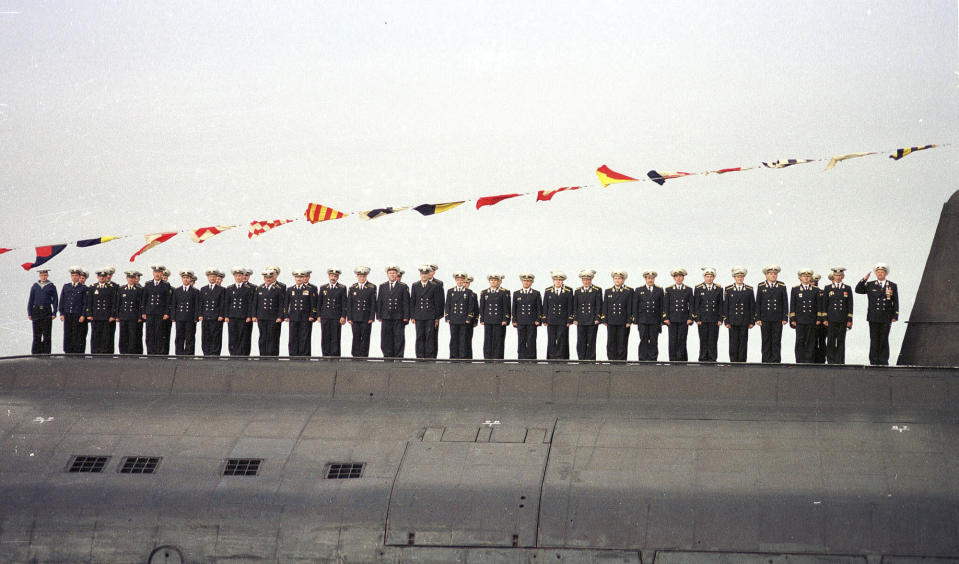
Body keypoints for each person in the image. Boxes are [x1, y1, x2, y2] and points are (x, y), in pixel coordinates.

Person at [855, 263, 899, 365]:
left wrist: (895, 315)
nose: (880, 274)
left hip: (886, 316)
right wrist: (864, 279)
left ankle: (883, 360)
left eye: (882, 272)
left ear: (886, 273)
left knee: (884, 339)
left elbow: (896, 301)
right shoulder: (870, 285)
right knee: (874, 339)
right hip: (873, 316)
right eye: (878, 272)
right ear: (875, 273)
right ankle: (874, 361)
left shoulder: (892, 285)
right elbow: (858, 290)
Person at [755, 265, 788, 363]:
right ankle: (765, 360)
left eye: (775, 274)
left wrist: (785, 317)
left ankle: (776, 360)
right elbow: (758, 303)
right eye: (770, 274)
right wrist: (758, 318)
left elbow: (785, 302)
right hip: (765, 318)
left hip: (777, 318)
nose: (773, 275)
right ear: (766, 275)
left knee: (776, 340)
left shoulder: (781, 286)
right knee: (766, 340)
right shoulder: (761, 286)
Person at [411, 265, 444, 359]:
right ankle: (420, 356)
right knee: (419, 336)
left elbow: (437, 302)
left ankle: (429, 357)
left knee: (430, 337)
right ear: (420, 275)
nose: (424, 276)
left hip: (430, 315)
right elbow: (413, 301)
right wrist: (412, 316)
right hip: (419, 315)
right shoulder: (415, 285)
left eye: (426, 274)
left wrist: (437, 317)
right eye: (422, 274)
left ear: (429, 274)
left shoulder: (434, 286)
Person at [377, 265, 410, 358]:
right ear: (387, 274)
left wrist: (406, 317)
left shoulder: (403, 286)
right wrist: (379, 315)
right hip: (386, 316)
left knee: (399, 337)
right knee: (386, 338)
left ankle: (399, 356)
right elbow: (380, 301)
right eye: (390, 273)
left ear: (397, 274)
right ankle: (387, 356)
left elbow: (406, 303)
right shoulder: (382, 286)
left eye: (394, 273)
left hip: (398, 316)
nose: (392, 275)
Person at [789, 268, 821, 363]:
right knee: (800, 340)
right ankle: (799, 360)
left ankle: (809, 360)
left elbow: (818, 305)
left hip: (811, 319)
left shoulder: (815, 290)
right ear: (800, 278)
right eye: (804, 276)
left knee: (810, 341)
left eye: (808, 276)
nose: (806, 278)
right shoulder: (795, 289)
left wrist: (819, 318)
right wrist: (792, 319)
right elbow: (793, 305)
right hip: (799, 320)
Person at [723, 266, 755, 362]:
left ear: (743, 277)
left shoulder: (749, 290)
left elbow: (752, 306)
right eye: (737, 277)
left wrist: (752, 321)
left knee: (743, 342)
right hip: (732, 320)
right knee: (733, 342)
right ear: (734, 277)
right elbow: (726, 306)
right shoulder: (728, 289)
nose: (739, 278)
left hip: (744, 320)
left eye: (741, 277)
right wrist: (726, 321)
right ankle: (733, 361)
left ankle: (742, 361)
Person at [823, 267, 854, 364]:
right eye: (836, 275)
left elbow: (850, 305)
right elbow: (825, 304)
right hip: (831, 319)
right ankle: (831, 360)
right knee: (831, 340)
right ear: (833, 276)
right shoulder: (828, 288)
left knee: (841, 341)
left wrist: (849, 319)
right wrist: (825, 318)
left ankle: (840, 361)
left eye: (840, 275)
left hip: (842, 319)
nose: (838, 277)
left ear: (842, 276)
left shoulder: (847, 288)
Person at [252, 268, 285, 356]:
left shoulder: (278, 289)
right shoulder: (259, 288)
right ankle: (263, 354)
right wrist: (254, 315)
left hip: (273, 317)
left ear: (273, 278)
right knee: (262, 336)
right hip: (262, 316)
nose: (268, 279)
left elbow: (281, 304)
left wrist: (280, 316)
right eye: (266, 277)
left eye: (270, 277)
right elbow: (255, 303)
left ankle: (272, 355)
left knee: (272, 336)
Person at [692, 267, 723, 362]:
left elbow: (720, 305)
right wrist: (697, 318)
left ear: (714, 277)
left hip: (714, 319)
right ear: (704, 277)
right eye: (707, 276)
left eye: (711, 276)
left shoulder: (718, 288)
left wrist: (720, 319)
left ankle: (712, 358)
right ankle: (702, 358)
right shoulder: (698, 288)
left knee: (713, 340)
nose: (709, 278)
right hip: (703, 319)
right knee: (703, 339)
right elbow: (696, 305)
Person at [140, 265, 172, 355]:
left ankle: (159, 352)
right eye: (156, 272)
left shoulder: (166, 285)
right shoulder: (148, 284)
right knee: (149, 333)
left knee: (159, 333)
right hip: (150, 312)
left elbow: (167, 301)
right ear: (153, 273)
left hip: (160, 313)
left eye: (159, 272)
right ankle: (150, 352)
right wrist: (143, 312)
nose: (157, 274)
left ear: (162, 273)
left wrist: (166, 313)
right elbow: (144, 299)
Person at [633, 270, 664, 361]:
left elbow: (662, 306)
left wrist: (662, 320)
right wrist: (635, 319)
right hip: (642, 320)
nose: (650, 280)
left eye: (652, 278)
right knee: (643, 340)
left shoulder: (659, 290)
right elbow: (635, 305)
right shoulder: (639, 290)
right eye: (648, 278)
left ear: (654, 279)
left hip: (655, 320)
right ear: (645, 279)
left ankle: (653, 359)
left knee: (654, 340)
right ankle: (642, 359)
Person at [285, 269, 318, 356]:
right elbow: (286, 304)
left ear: (304, 278)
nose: (299, 279)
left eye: (301, 277)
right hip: (293, 317)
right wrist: (286, 315)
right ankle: (293, 355)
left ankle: (304, 355)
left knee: (304, 337)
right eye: (297, 277)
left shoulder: (309, 289)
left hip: (305, 317)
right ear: (294, 278)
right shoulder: (290, 289)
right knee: (293, 337)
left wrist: (312, 315)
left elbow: (313, 304)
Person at [85, 267, 118, 354]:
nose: (102, 278)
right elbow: (89, 302)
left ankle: (104, 352)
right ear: (97, 277)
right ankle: (95, 352)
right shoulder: (92, 287)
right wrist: (89, 314)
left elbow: (113, 303)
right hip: (95, 316)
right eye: (100, 276)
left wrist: (112, 315)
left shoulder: (110, 288)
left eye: (103, 276)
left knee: (105, 336)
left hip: (106, 316)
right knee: (95, 335)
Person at [445, 271, 477, 359]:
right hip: (454, 318)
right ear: (456, 280)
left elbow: (471, 306)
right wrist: (447, 316)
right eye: (458, 280)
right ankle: (453, 356)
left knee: (463, 339)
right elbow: (447, 305)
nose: (460, 282)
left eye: (462, 280)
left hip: (464, 319)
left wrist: (469, 317)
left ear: (464, 281)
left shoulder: (468, 292)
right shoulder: (451, 291)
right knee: (454, 338)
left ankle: (462, 356)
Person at [542, 271, 574, 360]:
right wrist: (544, 319)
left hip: (563, 320)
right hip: (551, 319)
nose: (558, 282)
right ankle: (551, 357)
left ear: (562, 281)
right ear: (553, 280)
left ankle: (561, 357)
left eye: (560, 280)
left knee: (562, 339)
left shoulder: (568, 291)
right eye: (556, 280)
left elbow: (570, 306)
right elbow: (545, 306)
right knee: (551, 339)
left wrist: (569, 320)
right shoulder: (548, 291)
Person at [663, 268, 693, 361]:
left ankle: (682, 360)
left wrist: (690, 318)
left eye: (680, 276)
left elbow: (691, 305)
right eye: (676, 276)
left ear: (683, 277)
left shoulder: (688, 290)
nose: (678, 278)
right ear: (674, 278)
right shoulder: (669, 289)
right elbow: (666, 305)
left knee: (682, 340)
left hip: (684, 319)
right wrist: (666, 318)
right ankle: (673, 359)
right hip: (672, 319)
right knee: (672, 340)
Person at [224, 267, 255, 356]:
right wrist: (226, 316)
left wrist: (249, 316)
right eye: (236, 276)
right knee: (232, 335)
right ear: (234, 277)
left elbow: (250, 303)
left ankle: (241, 354)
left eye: (240, 276)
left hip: (243, 316)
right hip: (232, 316)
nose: (238, 277)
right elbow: (227, 303)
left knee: (242, 335)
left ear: (242, 276)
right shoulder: (230, 288)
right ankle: (233, 353)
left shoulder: (248, 289)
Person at [347, 266, 377, 357]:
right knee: (355, 336)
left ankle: (364, 355)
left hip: (366, 317)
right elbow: (349, 304)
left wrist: (372, 317)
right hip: (355, 317)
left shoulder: (371, 287)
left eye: (363, 276)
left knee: (365, 337)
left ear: (366, 276)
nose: (362, 278)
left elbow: (373, 304)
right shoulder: (352, 288)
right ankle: (355, 355)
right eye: (360, 276)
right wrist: (349, 317)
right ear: (357, 276)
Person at [603, 270, 632, 361]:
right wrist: (604, 319)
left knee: (622, 341)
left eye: (619, 278)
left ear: (623, 280)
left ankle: (621, 360)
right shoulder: (608, 291)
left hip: (623, 321)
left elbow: (630, 307)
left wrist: (629, 320)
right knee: (611, 341)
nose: (617, 280)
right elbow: (605, 306)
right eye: (615, 278)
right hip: (611, 321)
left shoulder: (628, 291)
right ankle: (611, 359)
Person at [479, 273, 510, 359]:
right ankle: (487, 358)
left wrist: (505, 319)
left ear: (499, 282)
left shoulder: (503, 292)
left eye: (495, 280)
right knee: (487, 339)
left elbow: (506, 307)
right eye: (491, 280)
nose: (493, 282)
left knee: (498, 340)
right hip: (488, 319)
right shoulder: (484, 292)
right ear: (489, 281)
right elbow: (482, 306)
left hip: (499, 320)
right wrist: (482, 318)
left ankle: (498, 358)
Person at [573, 269, 602, 360]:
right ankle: (581, 358)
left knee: (591, 340)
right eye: (584, 280)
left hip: (592, 319)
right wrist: (575, 318)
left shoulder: (597, 290)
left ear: (591, 280)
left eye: (588, 280)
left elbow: (599, 305)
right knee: (581, 341)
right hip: (581, 320)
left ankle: (591, 359)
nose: (586, 281)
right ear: (582, 280)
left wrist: (598, 317)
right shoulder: (577, 291)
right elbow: (575, 306)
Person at [27, 268, 58, 354]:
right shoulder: (35, 286)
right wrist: (30, 312)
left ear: (47, 275)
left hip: (46, 310)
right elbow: (31, 300)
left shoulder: (51, 286)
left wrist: (54, 312)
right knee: (36, 334)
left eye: (45, 275)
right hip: (36, 311)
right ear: (39, 276)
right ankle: (36, 353)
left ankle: (46, 353)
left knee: (46, 334)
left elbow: (55, 300)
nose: (43, 277)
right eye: (42, 275)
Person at [170, 270, 200, 355]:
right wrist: (173, 316)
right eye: (184, 278)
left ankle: (189, 354)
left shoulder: (195, 291)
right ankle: (179, 354)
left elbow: (196, 305)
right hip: (179, 317)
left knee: (190, 337)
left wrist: (196, 317)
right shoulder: (177, 290)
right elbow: (174, 304)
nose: (185, 279)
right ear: (181, 279)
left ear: (190, 279)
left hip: (190, 318)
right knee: (179, 336)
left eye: (187, 278)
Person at [512, 273, 542, 359]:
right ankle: (521, 357)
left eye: (528, 281)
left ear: (532, 282)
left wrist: (538, 319)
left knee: (531, 340)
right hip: (520, 321)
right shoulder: (517, 293)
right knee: (521, 340)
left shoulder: (536, 293)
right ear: (522, 281)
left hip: (532, 321)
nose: (526, 282)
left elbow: (539, 308)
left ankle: (531, 358)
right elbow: (514, 308)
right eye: (524, 281)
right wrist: (514, 320)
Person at [319, 268, 348, 356]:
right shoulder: (323, 288)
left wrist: (343, 316)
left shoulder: (342, 288)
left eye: (335, 276)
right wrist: (318, 315)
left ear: (337, 277)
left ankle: (335, 356)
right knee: (325, 337)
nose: (333, 278)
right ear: (329, 276)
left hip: (336, 317)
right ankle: (325, 355)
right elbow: (319, 303)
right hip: (325, 316)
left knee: (335, 337)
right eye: (331, 276)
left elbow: (344, 304)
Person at [59, 266, 87, 354]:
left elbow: (85, 303)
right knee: (67, 333)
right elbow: (62, 300)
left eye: (76, 276)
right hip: (67, 313)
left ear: (79, 277)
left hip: (77, 314)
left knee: (77, 333)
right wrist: (61, 313)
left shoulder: (83, 288)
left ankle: (76, 351)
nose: (74, 277)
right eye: (73, 275)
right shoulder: (66, 286)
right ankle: (68, 351)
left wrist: (83, 315)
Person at [198, 267, 227, 356]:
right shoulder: (203, 289)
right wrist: (200, 314)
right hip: (206, 316)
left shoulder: (221, 290)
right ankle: (206, 353)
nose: (212, 278)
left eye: (214, 277)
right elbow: (201, 303)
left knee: (216, 336)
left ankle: (215, 353)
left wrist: (221, 315)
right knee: (205, 336)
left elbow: (222, 303)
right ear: (208, 277)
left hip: (216, 317)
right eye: (210, 276)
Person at [115, 270, 143, 354]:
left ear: (135, 279)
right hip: (123, 316)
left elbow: (140, 305)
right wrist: (117, 316)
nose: (131, 279)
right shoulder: (122, 289)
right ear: (126, 278)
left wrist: (139, 316)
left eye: (133, 278)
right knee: (123, 335)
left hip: (133, 316)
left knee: (132, 335)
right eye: (129, 278)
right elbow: (118, 303)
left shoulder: (138, 290)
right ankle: (123, 352)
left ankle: (131, 353)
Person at [811, 273, 827, 363]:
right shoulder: (808, 292)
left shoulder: (822, 292)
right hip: (811, 321)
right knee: (811, 341)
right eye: (812, 282)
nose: (814, 283)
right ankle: (811, 359)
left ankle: (821, 360)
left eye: (815, 282)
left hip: (821, 323)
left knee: (822, 341)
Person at [463, 275, 478, 358]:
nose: (465, 284)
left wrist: (475, 320)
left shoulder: (473, 294)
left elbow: (475, 308)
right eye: (464, 282)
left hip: (470, 321)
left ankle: (468, 357)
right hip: (460, 320)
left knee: (468, 339)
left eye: (467, 283)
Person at [76, 269, 90, 352]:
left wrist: (84, 315)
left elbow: (86, 303)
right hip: (75, 315)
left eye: (83, 278)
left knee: (82, 335)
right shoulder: (73, 288)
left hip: (83, 316)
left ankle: (81, 351)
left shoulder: (87, 289)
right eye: (80, 278)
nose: (81, 279)